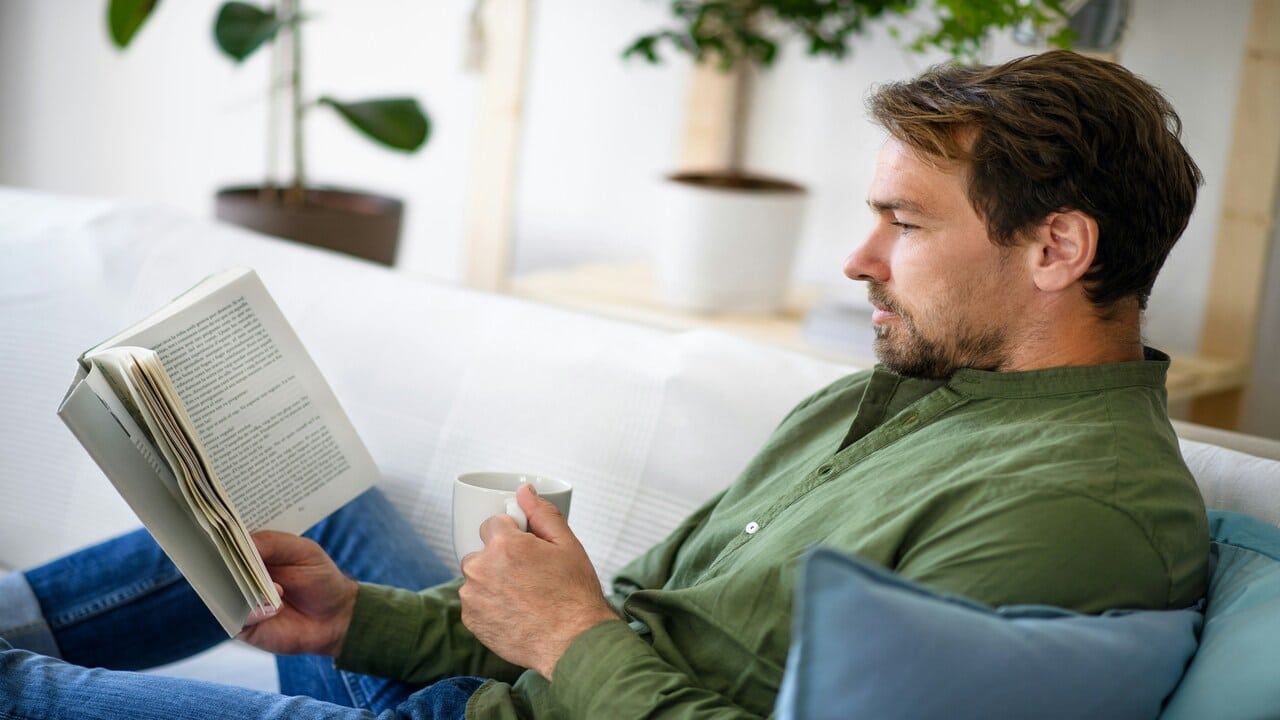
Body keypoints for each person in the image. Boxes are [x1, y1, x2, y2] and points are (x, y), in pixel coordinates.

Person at [0, 49, 1209, 719]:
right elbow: (647, 630)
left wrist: (570, 631)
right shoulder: (890, 392)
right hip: (490, 694)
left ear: (1056, 249)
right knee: (300, 533)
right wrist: (362, 622)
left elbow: (605, 647)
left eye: (903, 223)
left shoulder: (1074, 516)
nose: (857, 260)